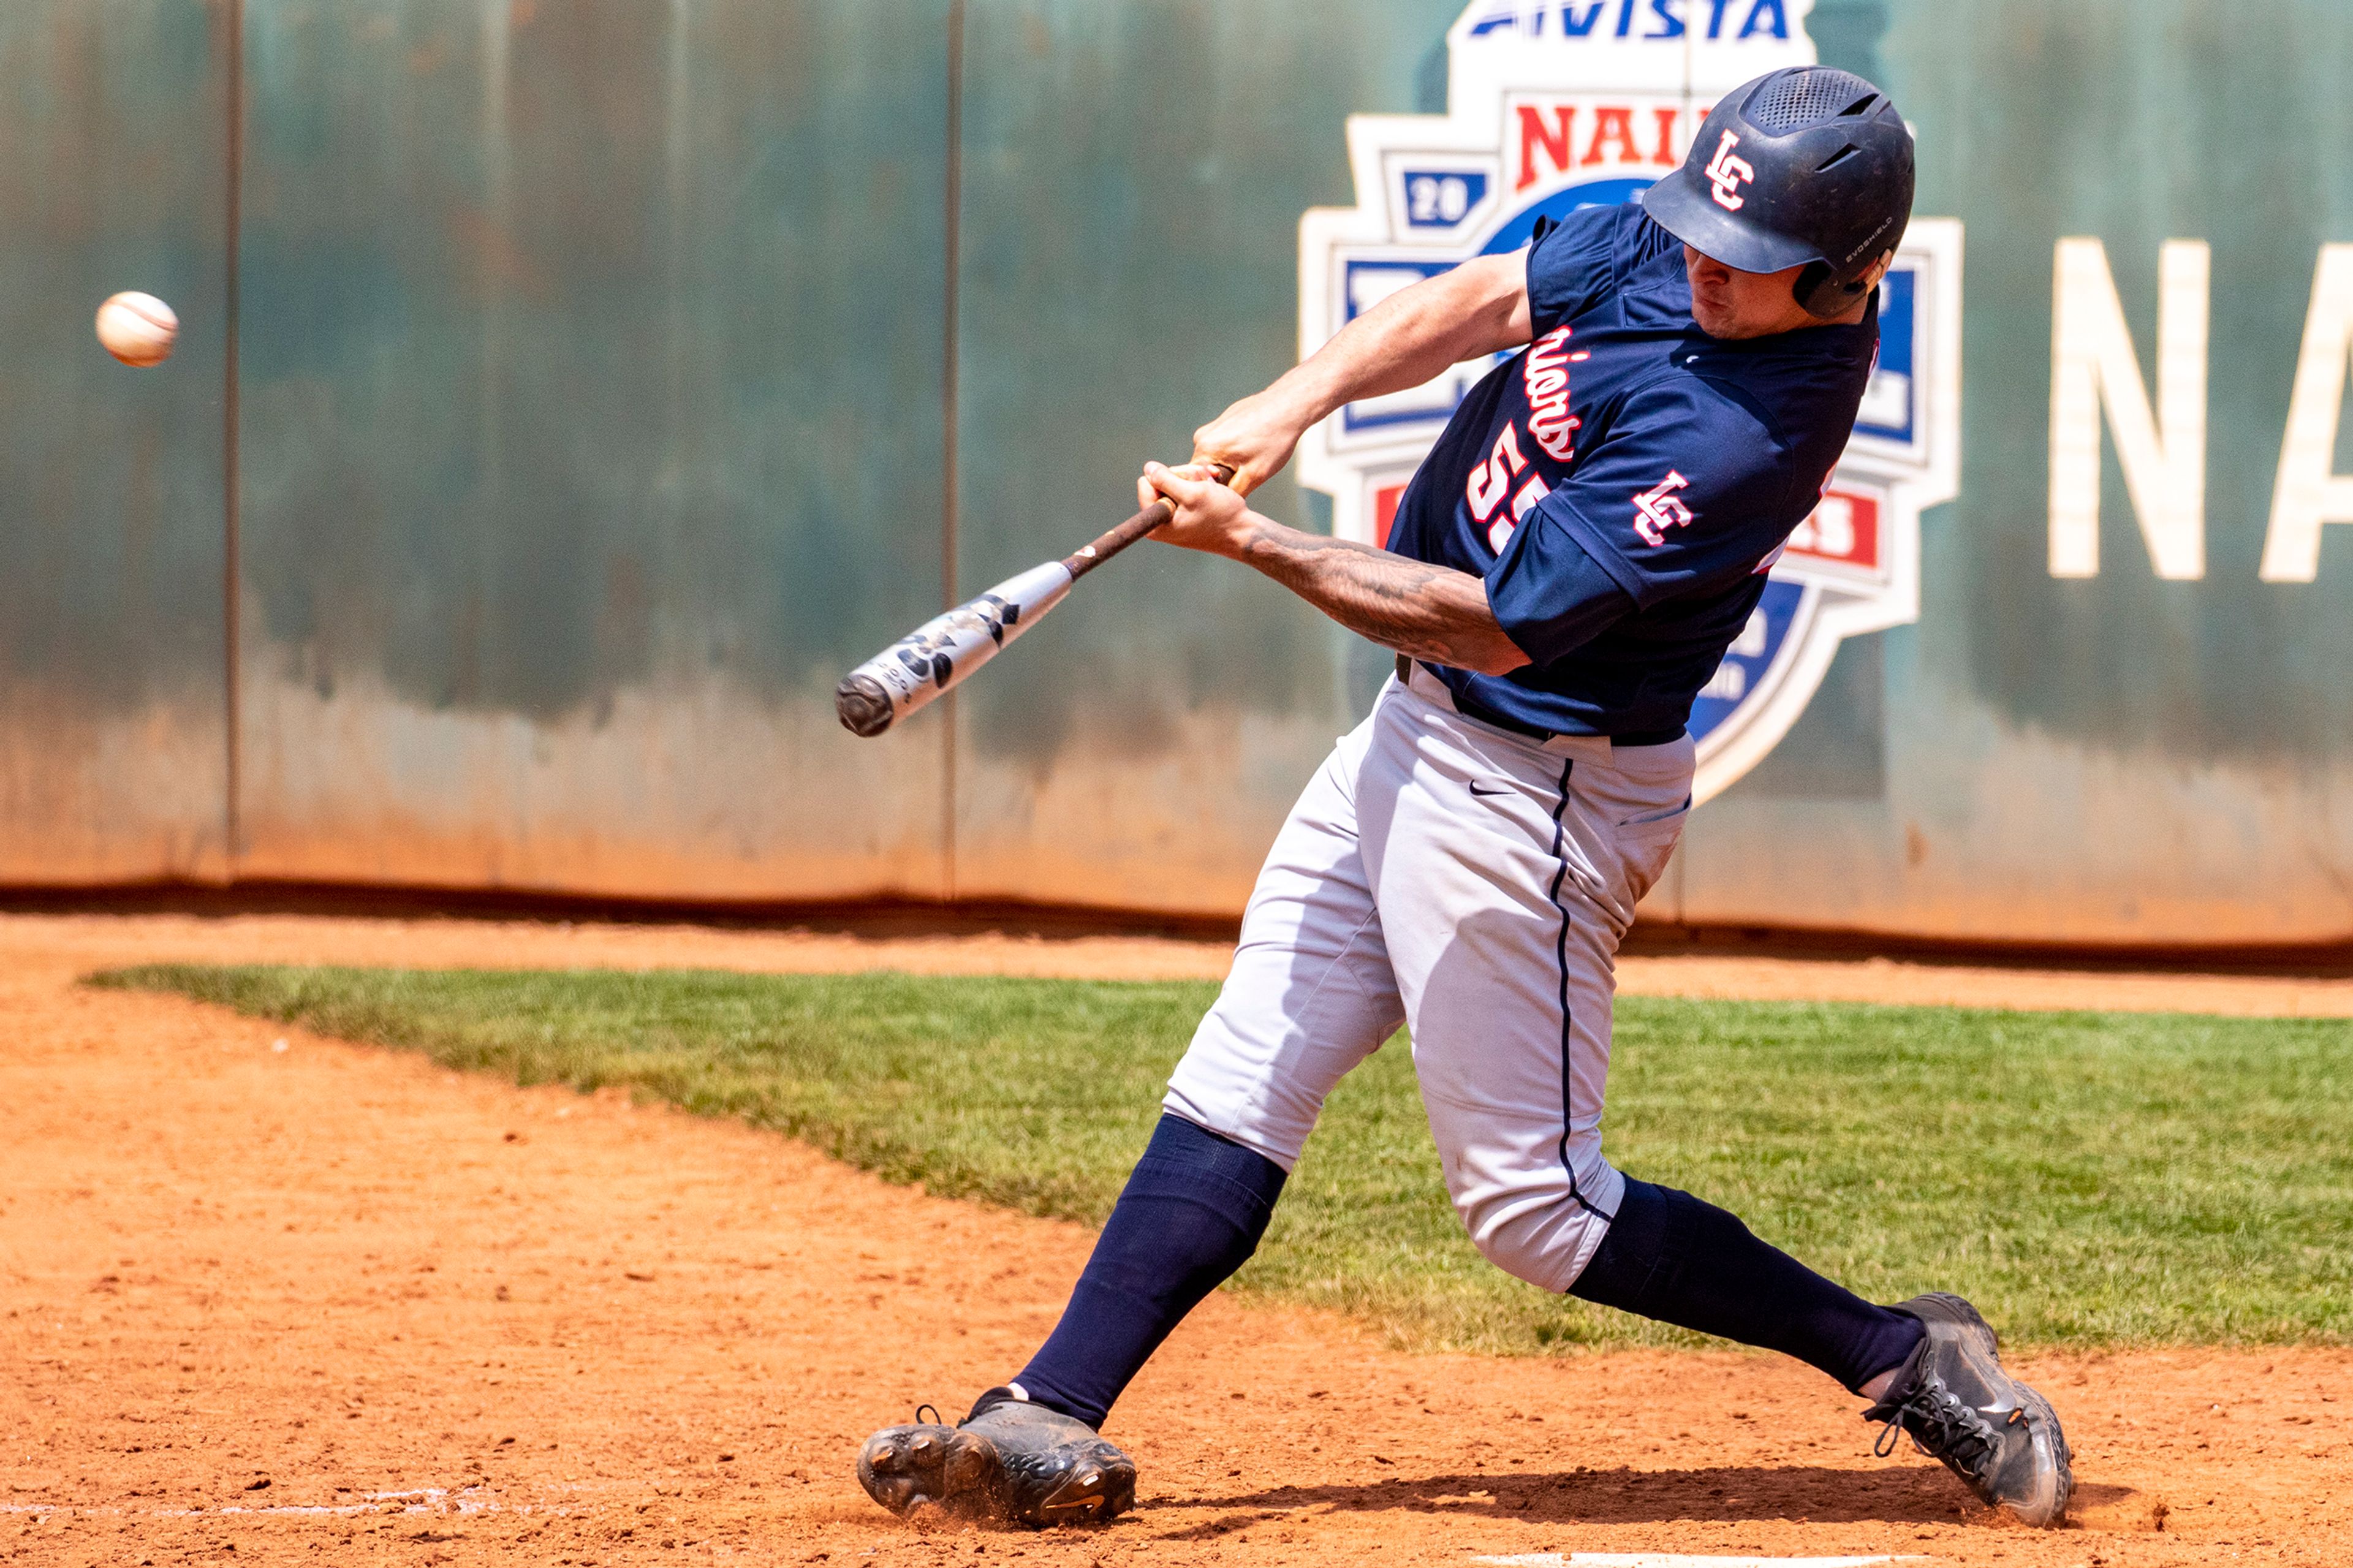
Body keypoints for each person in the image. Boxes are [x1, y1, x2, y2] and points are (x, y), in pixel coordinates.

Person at [855, 65, 2072, 1531]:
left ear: (1841, 278)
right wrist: (1292, 399)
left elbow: (1494, 623)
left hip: (1534, 788)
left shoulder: (1747, 435)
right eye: (1696, 229)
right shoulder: (1680, 238)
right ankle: (1046, 1407)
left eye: (1743, 265)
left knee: (1537, 1211)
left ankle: (1900, 1354)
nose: (1700, 264)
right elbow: (1493, 299)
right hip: (1416, 735)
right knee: (1249, 1065)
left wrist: (1258, 544)